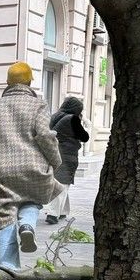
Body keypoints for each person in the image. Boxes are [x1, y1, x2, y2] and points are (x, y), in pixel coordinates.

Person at [0, 62, 62, 272]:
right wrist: (55, 161)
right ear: (30, 81)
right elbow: (45, 136)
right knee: (33, 199)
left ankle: (6, 271)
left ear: (8, 82)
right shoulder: (38, 105)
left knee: (4, 214)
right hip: (33, 168)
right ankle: (27, 224)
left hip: (1, 170)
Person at [43, 96, 90, 224]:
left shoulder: (54, 116)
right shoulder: (73, 119)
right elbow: (85, 137)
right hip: (67, 154)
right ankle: (52, 214)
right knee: (62, 182)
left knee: (61, 180)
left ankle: (63, 211)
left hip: (53, 153)